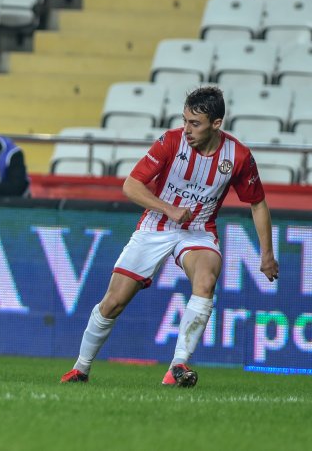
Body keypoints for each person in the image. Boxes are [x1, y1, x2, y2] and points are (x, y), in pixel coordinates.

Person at [60, 86, 279, 387]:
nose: (186, 129)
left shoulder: (238, 156)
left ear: (216, 124)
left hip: (199, 230)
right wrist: (169, 209)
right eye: (185, 120)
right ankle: (81, 369)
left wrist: (267, 254)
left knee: (206, 282)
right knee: (113, 302)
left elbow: (257, 203)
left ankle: (178, 366)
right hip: (156, 225)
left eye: (195, 123)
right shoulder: (171, 142)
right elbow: (131, 185)